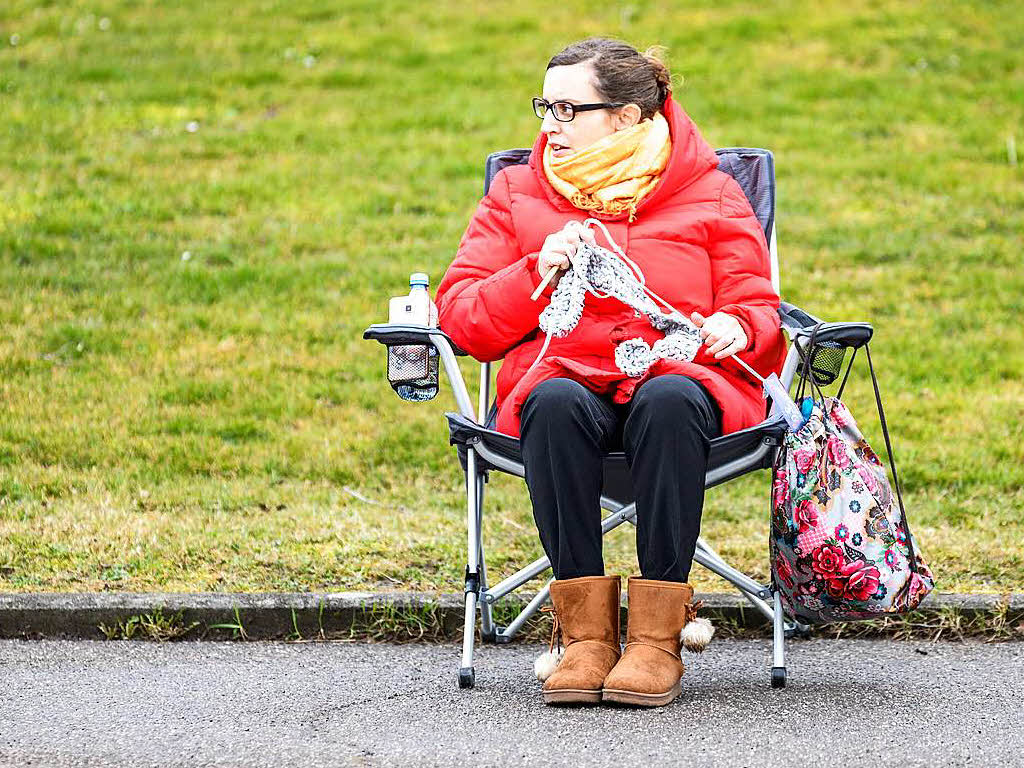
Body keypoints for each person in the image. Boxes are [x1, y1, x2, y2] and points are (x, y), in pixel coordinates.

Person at [435, 38, 787, 707]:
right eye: (545, 106)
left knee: (670, 396)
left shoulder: (711, 192)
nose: (548, 125)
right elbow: (463, 320)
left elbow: (759, 308)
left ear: (626, 116)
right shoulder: (516, 193)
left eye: (569, 109)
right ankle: (586, 639)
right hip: (567, 386)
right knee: (556, 399)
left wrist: (737, 325)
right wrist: (533, 270)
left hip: (685, 389)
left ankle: (656, 641)